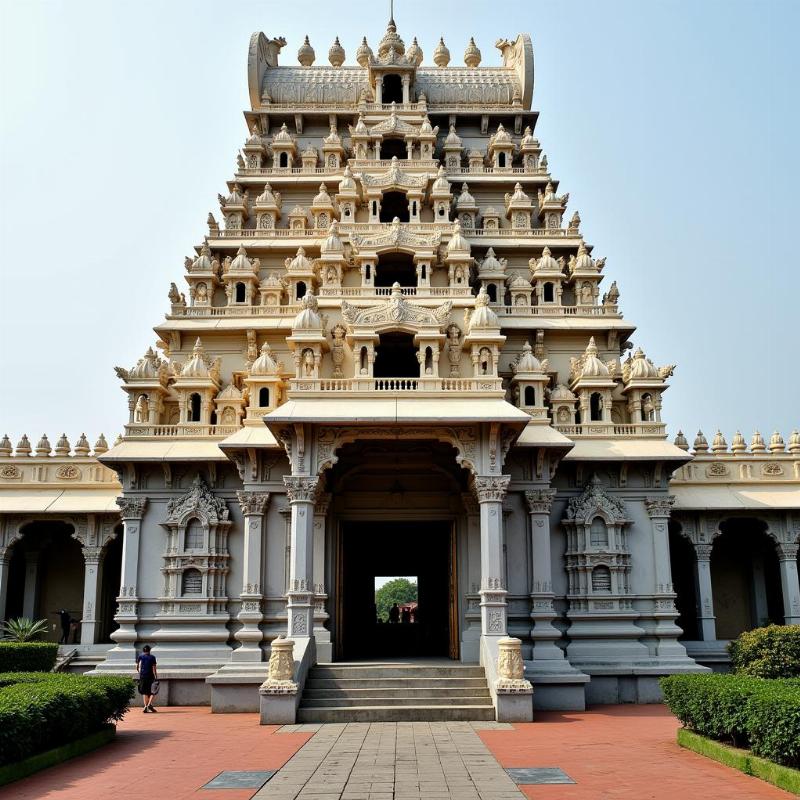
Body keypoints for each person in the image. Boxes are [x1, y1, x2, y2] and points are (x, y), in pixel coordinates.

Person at [136, 645, 159, 712]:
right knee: (153, 691)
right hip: (150, 676)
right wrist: (156, 677)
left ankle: (146, 706)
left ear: (143, 650)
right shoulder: (152, 657)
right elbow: (154, 668)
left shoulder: (140, 656)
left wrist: (140, 673)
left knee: (145, 692)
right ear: (149, 650)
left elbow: (137, 667)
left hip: (143, 676)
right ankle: (149, 704)